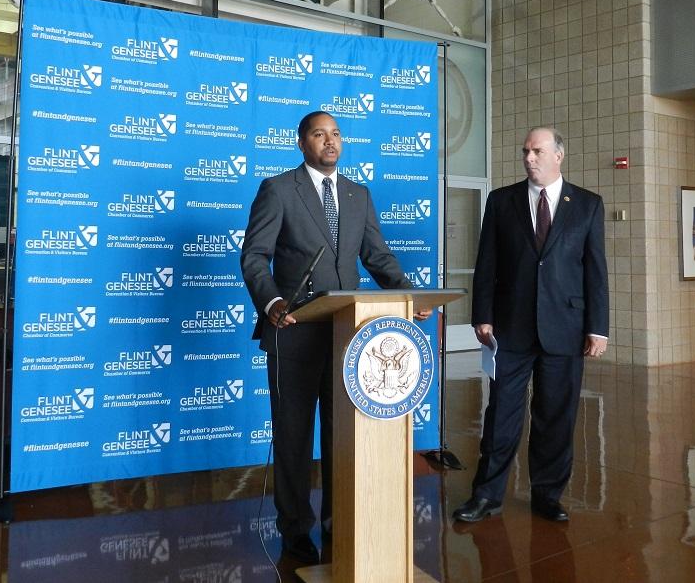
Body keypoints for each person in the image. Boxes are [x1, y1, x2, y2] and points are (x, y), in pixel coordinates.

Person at [241, 110, 431, 564]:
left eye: (336, 134)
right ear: (301, 142)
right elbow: (254, 256)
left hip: (348, 337)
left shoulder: (358, 194)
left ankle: (335, 525)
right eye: (319, 134)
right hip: (294, 333)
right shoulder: (278, 189)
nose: (330, 141)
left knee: (340, 435)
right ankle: (294, 532)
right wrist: (273, 303)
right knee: (292, 436)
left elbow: (378, 257)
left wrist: (407, 297)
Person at [453, 127, 608, 524]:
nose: (529, 158)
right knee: (501, 414)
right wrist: (481, 316)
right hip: (510, 328)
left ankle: (547, 495)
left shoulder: (587, 204)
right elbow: (486, 263)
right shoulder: (501, 201)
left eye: (537, 151)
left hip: (566, 329)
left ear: (559, 155)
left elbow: (595, 271)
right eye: (525, 151)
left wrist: (598, 327)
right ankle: (487, 496)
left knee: (556, 417)